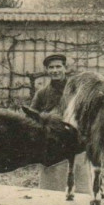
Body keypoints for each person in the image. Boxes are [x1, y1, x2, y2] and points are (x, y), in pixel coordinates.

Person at [31, 53, 90, 193]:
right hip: (53, 144)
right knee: (51, 187)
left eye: (58, 66)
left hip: (77, 142)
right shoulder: (42, 94)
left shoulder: (78, 91)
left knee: (81, 183)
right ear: (47, 70)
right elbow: (32, 117)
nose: (55, 70)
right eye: (51, 67)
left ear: (65, 68)